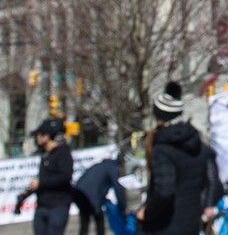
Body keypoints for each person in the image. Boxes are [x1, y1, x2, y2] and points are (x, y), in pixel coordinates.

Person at [138, 81, 217, 234]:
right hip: (191, 221)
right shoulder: (197, 141)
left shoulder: (163, 147)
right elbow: (209, 177)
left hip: (166, 225)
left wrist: (147, 212)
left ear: (159, 117)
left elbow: (164, 190)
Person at [24, 117, 74, 235]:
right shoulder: (45, 155)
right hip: (42, 206)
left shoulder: (63, 153)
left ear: (47, 136)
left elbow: (65, 176)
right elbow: (43, 180)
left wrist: (41, 183)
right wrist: (24, 196)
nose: (37, 138)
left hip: (58, 206)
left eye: (39, 135)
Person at [71, 155, 127, 235]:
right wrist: (123, 207)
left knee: (85, 221)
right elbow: (117, 188)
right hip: (89, 196)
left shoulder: (100, 165)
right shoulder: (112, 167)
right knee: (99, 219)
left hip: (78, 192)